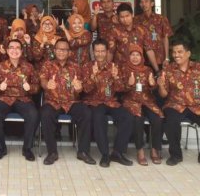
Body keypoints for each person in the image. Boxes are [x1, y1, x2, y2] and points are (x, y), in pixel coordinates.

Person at [158, 41, 200, 169]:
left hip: (196, 107)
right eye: (174, 52)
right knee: (170, 123)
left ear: (188, 53)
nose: (176, 55)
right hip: (175, 105)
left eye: (179, 52)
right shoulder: (169, 69)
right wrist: (161, 85)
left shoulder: (199, 67)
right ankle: (175, 156)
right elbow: (163, 95)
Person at [39, 39, 95, 165]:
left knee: (86, 113)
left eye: (64, 49)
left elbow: (81, 87)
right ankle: (52, 152)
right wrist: (47, 85)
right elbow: (42, 80)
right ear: (54, 51)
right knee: (45, 114)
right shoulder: (47, 65)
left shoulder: (76, 67)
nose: (61, 52)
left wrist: (79, 88)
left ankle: (83, 152)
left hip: (72, 101)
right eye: (59, 49)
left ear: (69, 52)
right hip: (53, 101)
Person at [82, 38, 134, 167]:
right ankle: (105, 155)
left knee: (127, 117)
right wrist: (93, 77)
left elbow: (122, 89)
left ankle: (117, 152)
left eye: (102, 51)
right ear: (93, 52)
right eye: (97, 51)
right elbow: (85, 90)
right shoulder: (87, 67)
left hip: (111, 102)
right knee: (99, 118)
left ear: (107, 52)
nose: (99, 54)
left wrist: (116, 77)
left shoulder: (114, 67)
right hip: (94, 102)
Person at [0, 40, 40, 161]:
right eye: (11, 47)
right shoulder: (0, 67)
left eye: (18, 48)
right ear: (7, 51)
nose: (14, 50)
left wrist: (30, 88)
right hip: (4, 98)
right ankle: (1, 148)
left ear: (22, 51)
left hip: (23, 98)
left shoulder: (29, 67)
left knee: (33, 115)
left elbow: (37, 87)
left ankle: (27, 149)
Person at [121, 44, 163, 165]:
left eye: (138, 55)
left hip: (147, 101)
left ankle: (155, 150)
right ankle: (140, 151)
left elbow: (153, 88)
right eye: (132, 55)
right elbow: (118, 88)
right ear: (128, 57)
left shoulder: (148, 70)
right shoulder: (124, 69)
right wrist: (129, 84)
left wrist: (152, 84)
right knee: (138, 119)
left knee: (157, 119)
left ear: (142, 57)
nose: (135, 58)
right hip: (131, 101)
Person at [107, 3, 159, 73]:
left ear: (132, 15)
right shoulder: (114, 31)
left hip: (138, 69)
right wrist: (106, 69)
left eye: (127, 16)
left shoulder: (142, 30)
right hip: (120, 70)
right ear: (118, 18)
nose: (125, 19)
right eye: (122, 17)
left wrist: (157, 70)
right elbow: (110, 52)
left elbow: (149, 50)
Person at [134, 0, 173, 68]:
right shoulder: (136, 20)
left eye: (146, 1)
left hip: (160, 57)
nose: (144, 4)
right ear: (139, 4)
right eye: (141, 2)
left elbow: (165, 38)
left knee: (160, 78)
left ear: (152, 3)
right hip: (142, 57)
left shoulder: (161, 19)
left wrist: (167, 58)